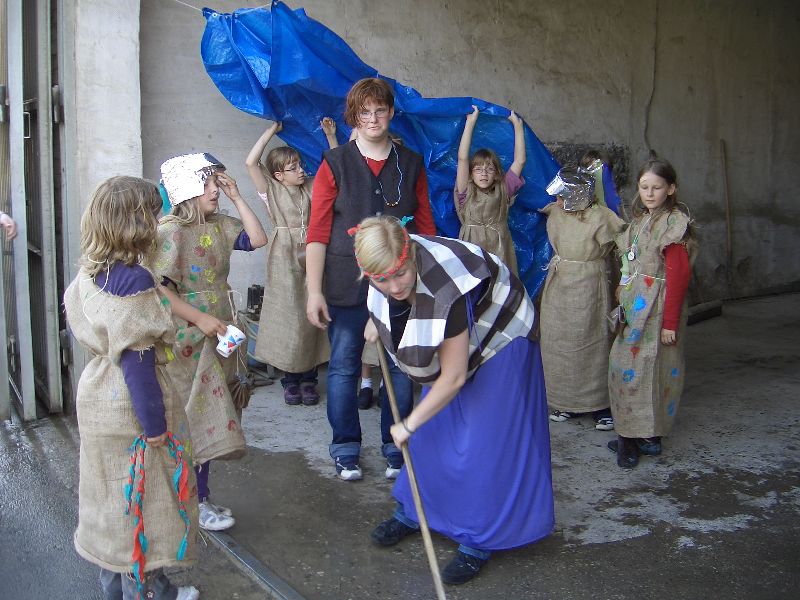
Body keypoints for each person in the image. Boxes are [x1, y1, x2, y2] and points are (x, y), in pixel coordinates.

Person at [355, 216, 554, 585]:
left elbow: (454, 377)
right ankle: (417, 510)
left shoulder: (447, 287)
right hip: (456, 330)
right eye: (382, 279)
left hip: (501, 331)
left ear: (410, 254)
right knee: (436, 431)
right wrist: (376, 318)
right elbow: (387, 296)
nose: (394, 287)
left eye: (400, 275)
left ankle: (479, 537)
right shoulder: (384, 269)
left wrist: (408, 423)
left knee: (483, 439)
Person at [63, 176, 199, 600]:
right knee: (139, 509)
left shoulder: (90, 270)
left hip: (96, 395)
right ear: (138, 224)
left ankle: (127, 590)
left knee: (111, 506)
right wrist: (156, 426)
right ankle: (145, 592)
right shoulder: (136, 279)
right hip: (129, 409)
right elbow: (138, 364)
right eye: (153, 215)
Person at [306, 77, 436, 481]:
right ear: (354, 117)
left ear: (391, 113)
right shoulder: (334, 163)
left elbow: (426, 228)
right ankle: (345, 447)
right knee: (344, 367)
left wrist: (423, 284)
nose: (374, 118)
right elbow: (318, 231)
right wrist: (314, 291)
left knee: (399, 366)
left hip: (399, 281)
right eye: (365, 112)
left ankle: (395, 446)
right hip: (346, 281)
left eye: (380, 110)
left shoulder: (411, 163)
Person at [151, 153, 267, 529]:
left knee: (218, 413)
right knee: (195, 417)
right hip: (190, 337)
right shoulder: (170, 232)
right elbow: (160, 288)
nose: (214, 189)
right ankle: (193, 501)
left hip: (224, 330)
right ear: (186, 189)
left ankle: (201, 496)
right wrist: (200, 318)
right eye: (207, 183)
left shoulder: (219, 225)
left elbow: (258, 238)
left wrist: (237, 197)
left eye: (215, 182)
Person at [608, 157, 696, 468]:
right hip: (635, 305)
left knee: (655, 369)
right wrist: (622, 286)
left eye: (656, 187)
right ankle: (631, 433)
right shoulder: (638, 221)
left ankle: (639, 437)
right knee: (625, 365)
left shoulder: (674, 224)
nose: (649, 193)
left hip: (659, 308)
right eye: (644, 187)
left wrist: (670, 322)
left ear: (670, 189)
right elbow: (627, 262)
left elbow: (678, 276)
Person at [244, 120, 331, 406]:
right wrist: (271, 131)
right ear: (279, 175)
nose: (300, 170)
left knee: (311, 314)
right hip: (283, 256)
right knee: (287, 315)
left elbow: (335, 170)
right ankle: (289, 380)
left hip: (312, 252)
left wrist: (330, 136)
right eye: (292, 168)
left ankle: (309, 379)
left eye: (299, 165)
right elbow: (251, 162)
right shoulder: (270, 190)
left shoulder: (310, 186)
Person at [540, 164, 625, 430]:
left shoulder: (600, 217)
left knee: (592, 344)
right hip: (559, 286)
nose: (557, 200)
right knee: (560, 345)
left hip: (589, 287)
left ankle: (599, 405)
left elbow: (625, 245)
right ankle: (566, 402)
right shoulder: (555, 212)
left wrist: (626, 282)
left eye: (563, 195)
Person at [454, 105, 526, 275]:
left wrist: (517, 126)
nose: (484, 173)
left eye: (489, 169)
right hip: (472, 248)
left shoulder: (504, 189)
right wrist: (470, 123)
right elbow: (463, 158)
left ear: (497, 174)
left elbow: (520, 161)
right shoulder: (465, 190)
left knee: (501, 287)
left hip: (500, 248)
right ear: (471, 174)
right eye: (478, 169)